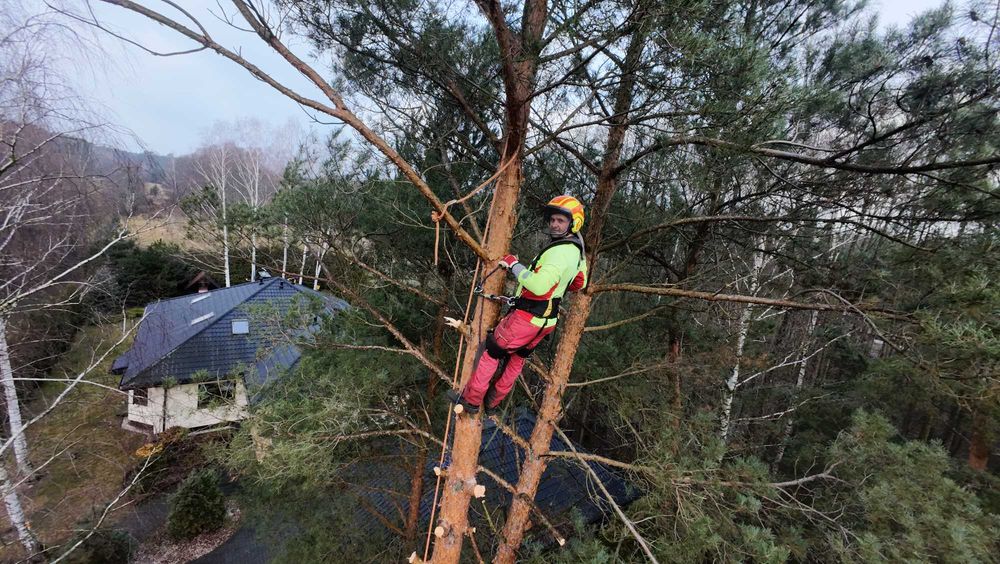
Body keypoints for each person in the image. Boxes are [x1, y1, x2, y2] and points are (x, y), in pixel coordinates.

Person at [451, 195, 588, 415]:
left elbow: (539, 286)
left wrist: (514, 265)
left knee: (492, 350)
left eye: (560, 220)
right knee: (518, 358)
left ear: (574, 223)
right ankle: (493, 403)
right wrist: (559, 283)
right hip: (547, 322)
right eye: (553, 219)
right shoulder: (577, 252)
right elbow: (580, 282)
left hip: (526, 319)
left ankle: (471, 401)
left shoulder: (559, 252)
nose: (554, 224)